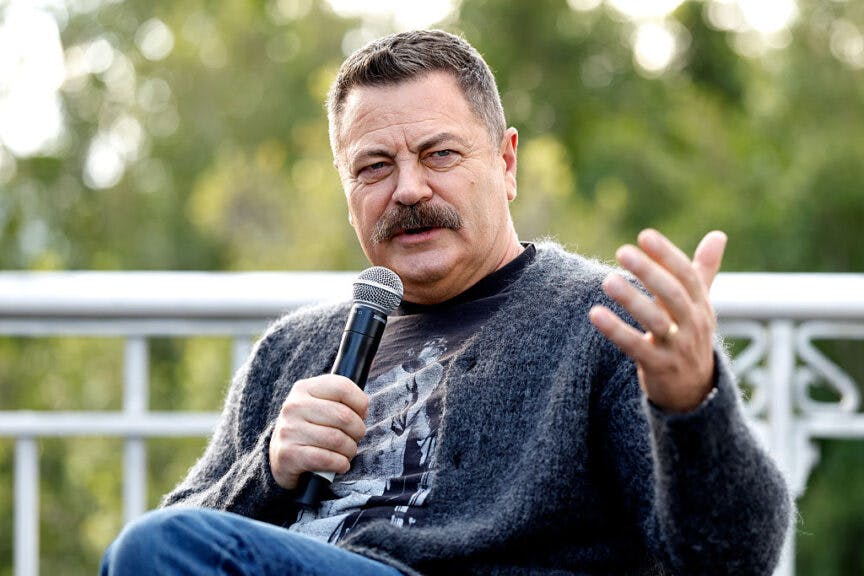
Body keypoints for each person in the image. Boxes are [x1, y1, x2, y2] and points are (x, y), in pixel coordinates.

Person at [101, 29, 791, 575]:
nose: (407, 190)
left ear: (506, 163)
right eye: (374, 167)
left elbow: (732, 559)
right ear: (346, 191)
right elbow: (172, 534)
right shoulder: (292, 349)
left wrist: (692, 406)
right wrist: (269, 470)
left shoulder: (607, 322)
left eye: (439, 155)